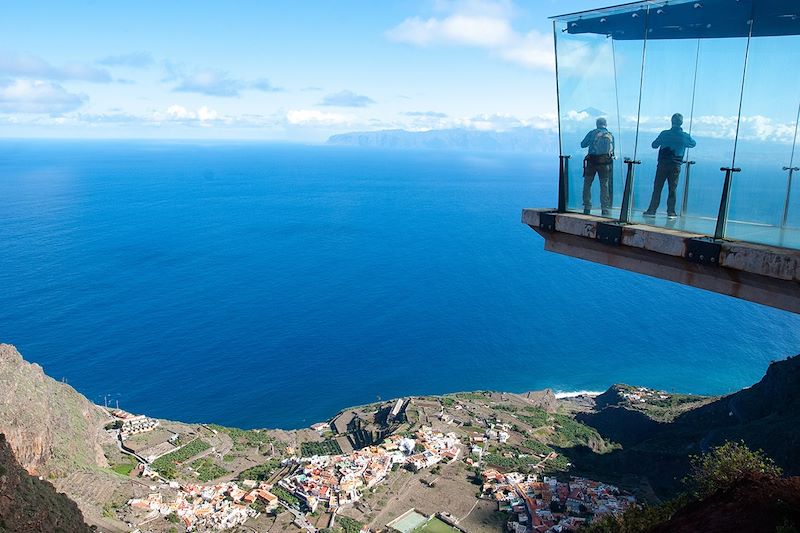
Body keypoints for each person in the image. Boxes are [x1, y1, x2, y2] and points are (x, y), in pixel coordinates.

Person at [643, 113, 696, 219]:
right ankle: (671, 212)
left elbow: (654, 145)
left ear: (671, 122)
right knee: (673, 188)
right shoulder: (685, 136)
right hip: (676, 165)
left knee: (657, 188)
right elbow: (693, 144)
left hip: (662, 164)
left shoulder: (664, 134)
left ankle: (652, 210)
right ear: (681, 123)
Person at [580, 117, 614, 216]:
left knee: (587, 184)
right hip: (605, 164)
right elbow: (612, 151)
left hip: (592, 162)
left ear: (597, 124)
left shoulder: (592, 133)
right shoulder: (610, 135)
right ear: (606, 124)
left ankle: (587, 206)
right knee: (604, 185)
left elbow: (583, 144)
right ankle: (605, 208)